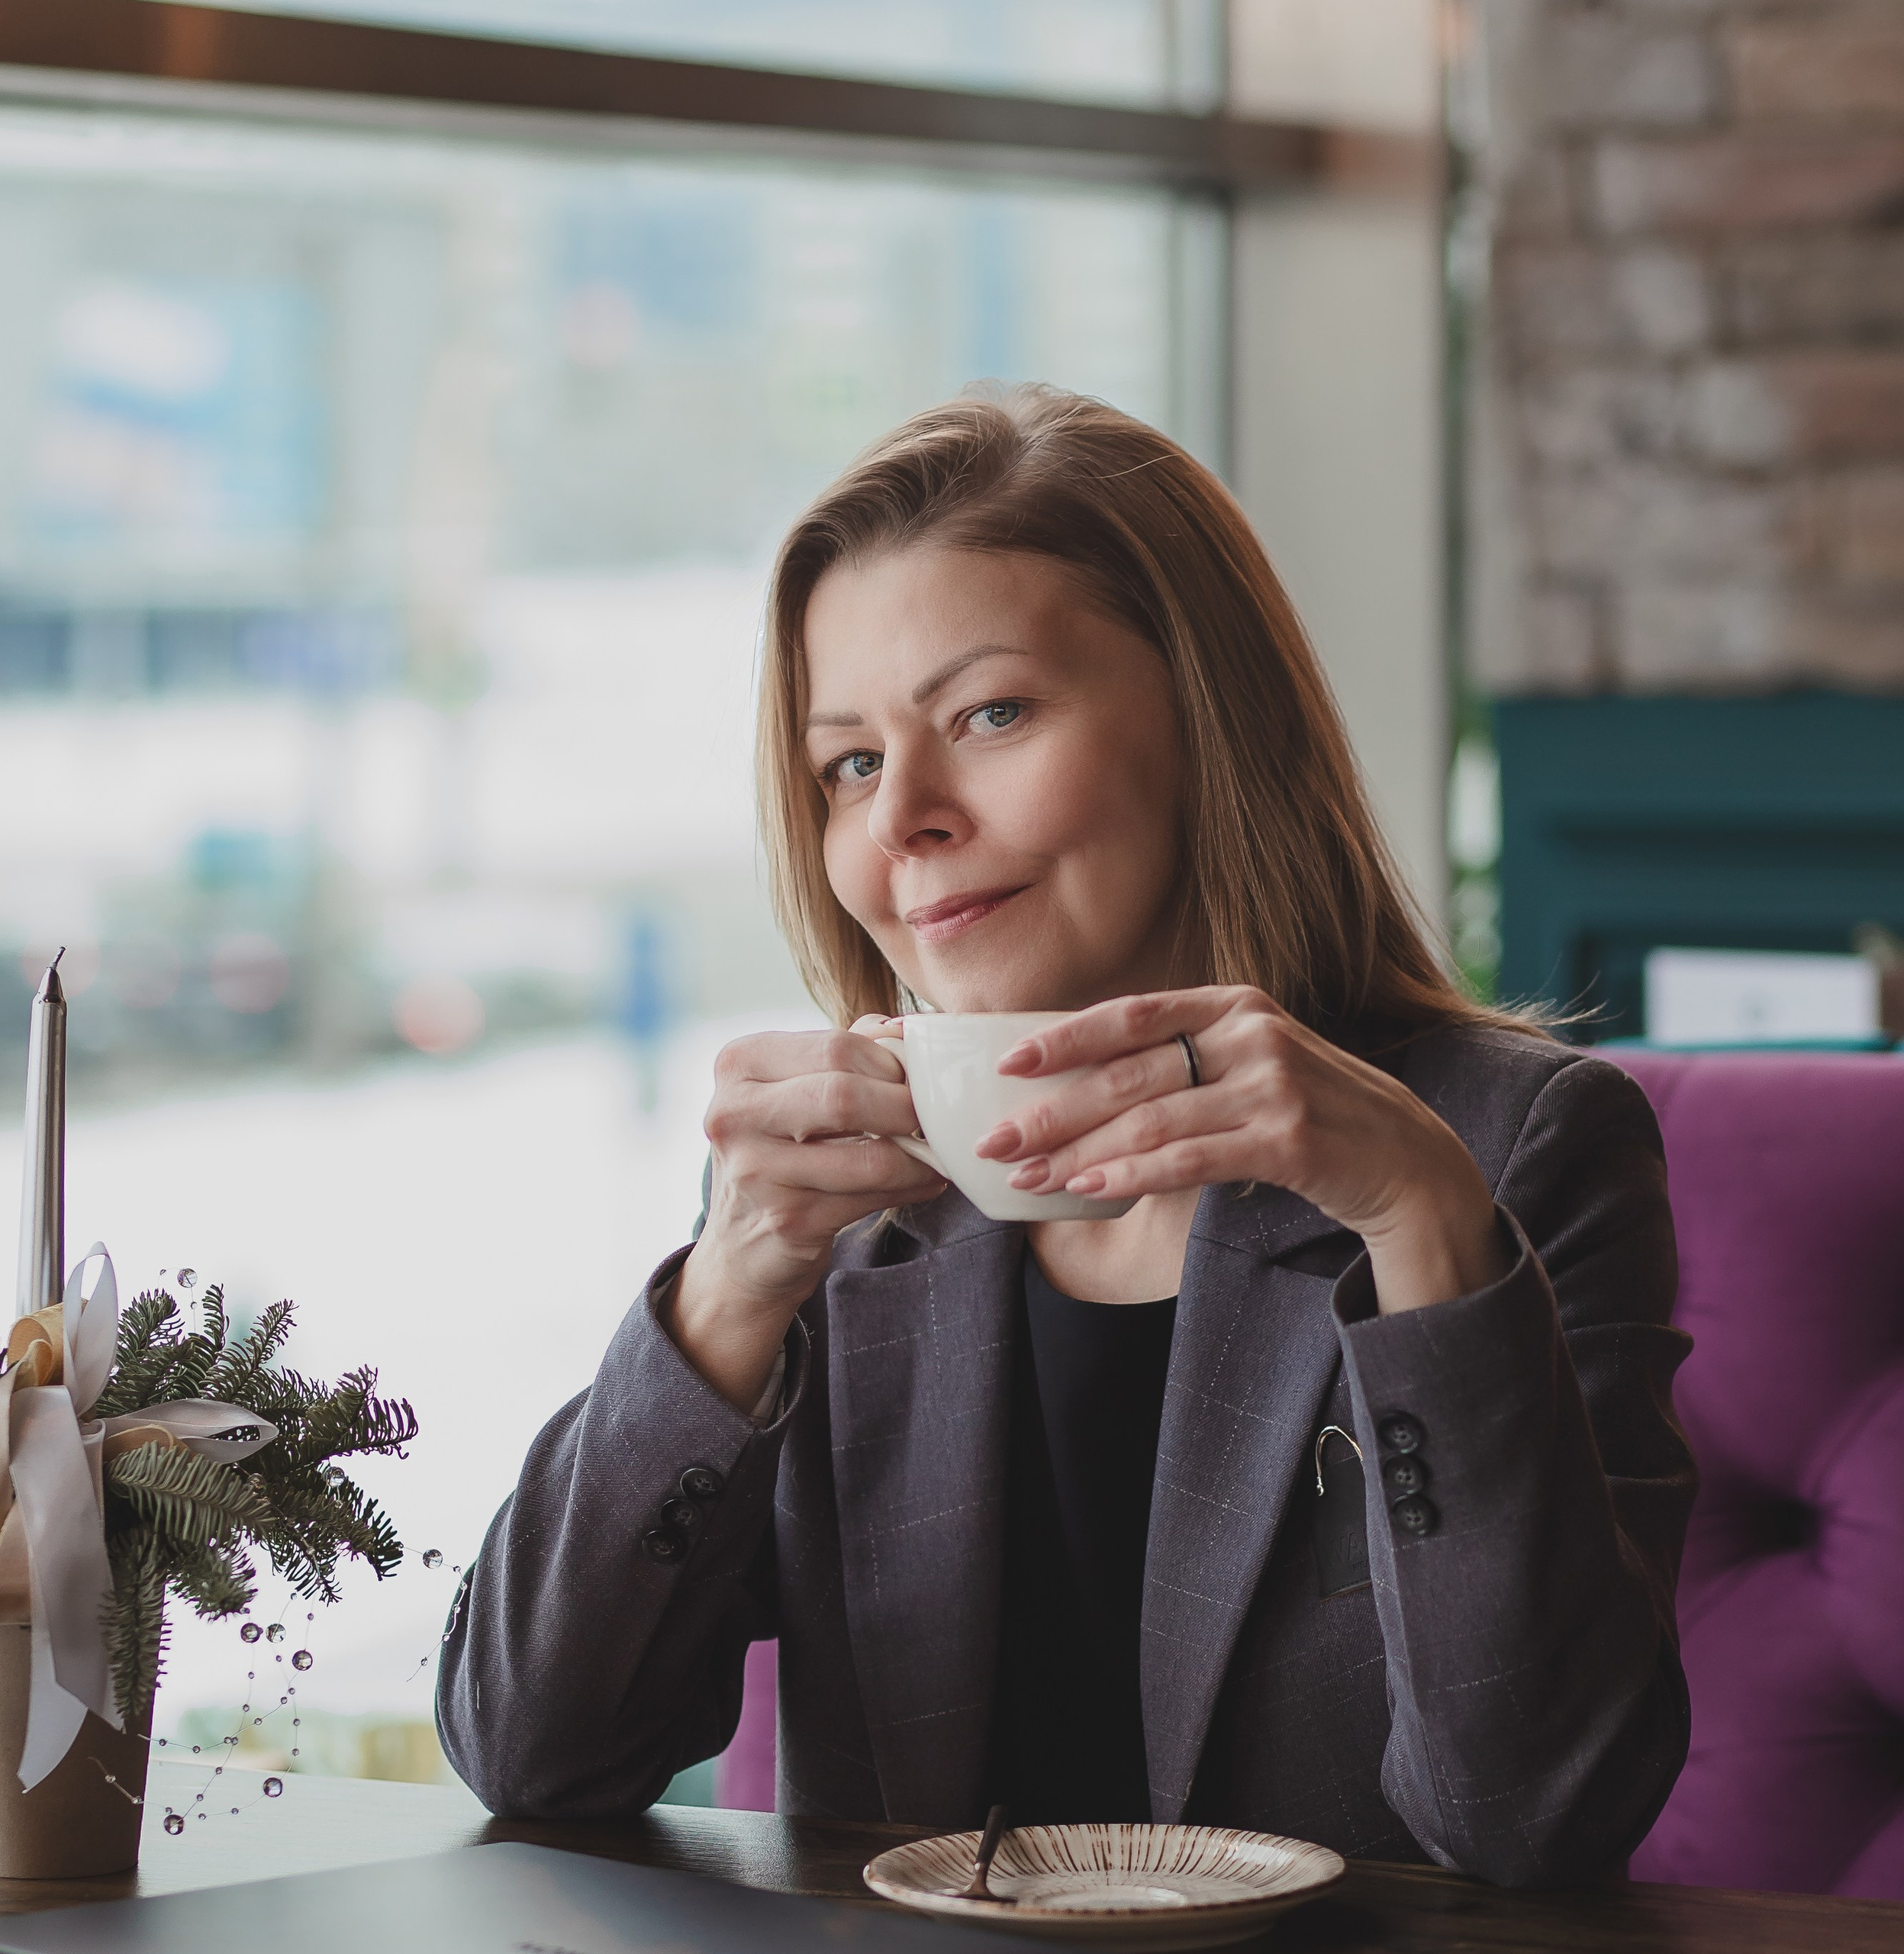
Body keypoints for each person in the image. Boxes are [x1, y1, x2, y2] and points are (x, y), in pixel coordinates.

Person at [437, 385, 1695, 1888]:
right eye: (847, 762)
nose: (902, 816)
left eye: (987, 713)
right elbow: (528, 1747)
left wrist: (1420, 1224)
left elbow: (1533, 1815)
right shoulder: (836, 1205)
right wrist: (725, 1289)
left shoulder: (1503, 1150)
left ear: (1202, 719)